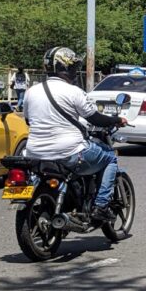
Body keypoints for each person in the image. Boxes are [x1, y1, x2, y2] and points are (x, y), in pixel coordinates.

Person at [23, 47, 127, 222]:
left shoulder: (31, 91)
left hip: (34, 154)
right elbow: (95, 118)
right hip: (69, 152)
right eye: (74, 67)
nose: (75, 71)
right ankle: (101, 206)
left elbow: (28, 120)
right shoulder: (74, 92)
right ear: (67, 68)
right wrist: (115, 120)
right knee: (109, 157)